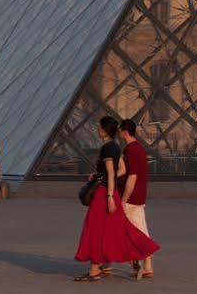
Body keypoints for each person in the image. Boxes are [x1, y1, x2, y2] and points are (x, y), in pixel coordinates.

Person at [74, 116, 159, 282]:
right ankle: (99, 267)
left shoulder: (108, 148)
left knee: (96, 229)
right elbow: (121, 169)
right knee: (112, 229)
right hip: (111, 192)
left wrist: (110, 196)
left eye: (99, 127)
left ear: (104, 130)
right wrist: (101, 176)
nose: (97, 129)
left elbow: (115, 173)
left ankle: (101, 267)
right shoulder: (116, 147)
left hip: (105, 194)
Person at [119, 119, 153, 279]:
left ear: (125, 132)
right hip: (139, 195)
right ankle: (145, 265)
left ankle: (141, 263)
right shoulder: (139, 148)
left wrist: (124, 199)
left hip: (132, 197)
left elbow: (132, 176)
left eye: (120, 130)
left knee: (135, 231)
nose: (119, 133)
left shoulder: (131, 150)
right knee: (139, 229)